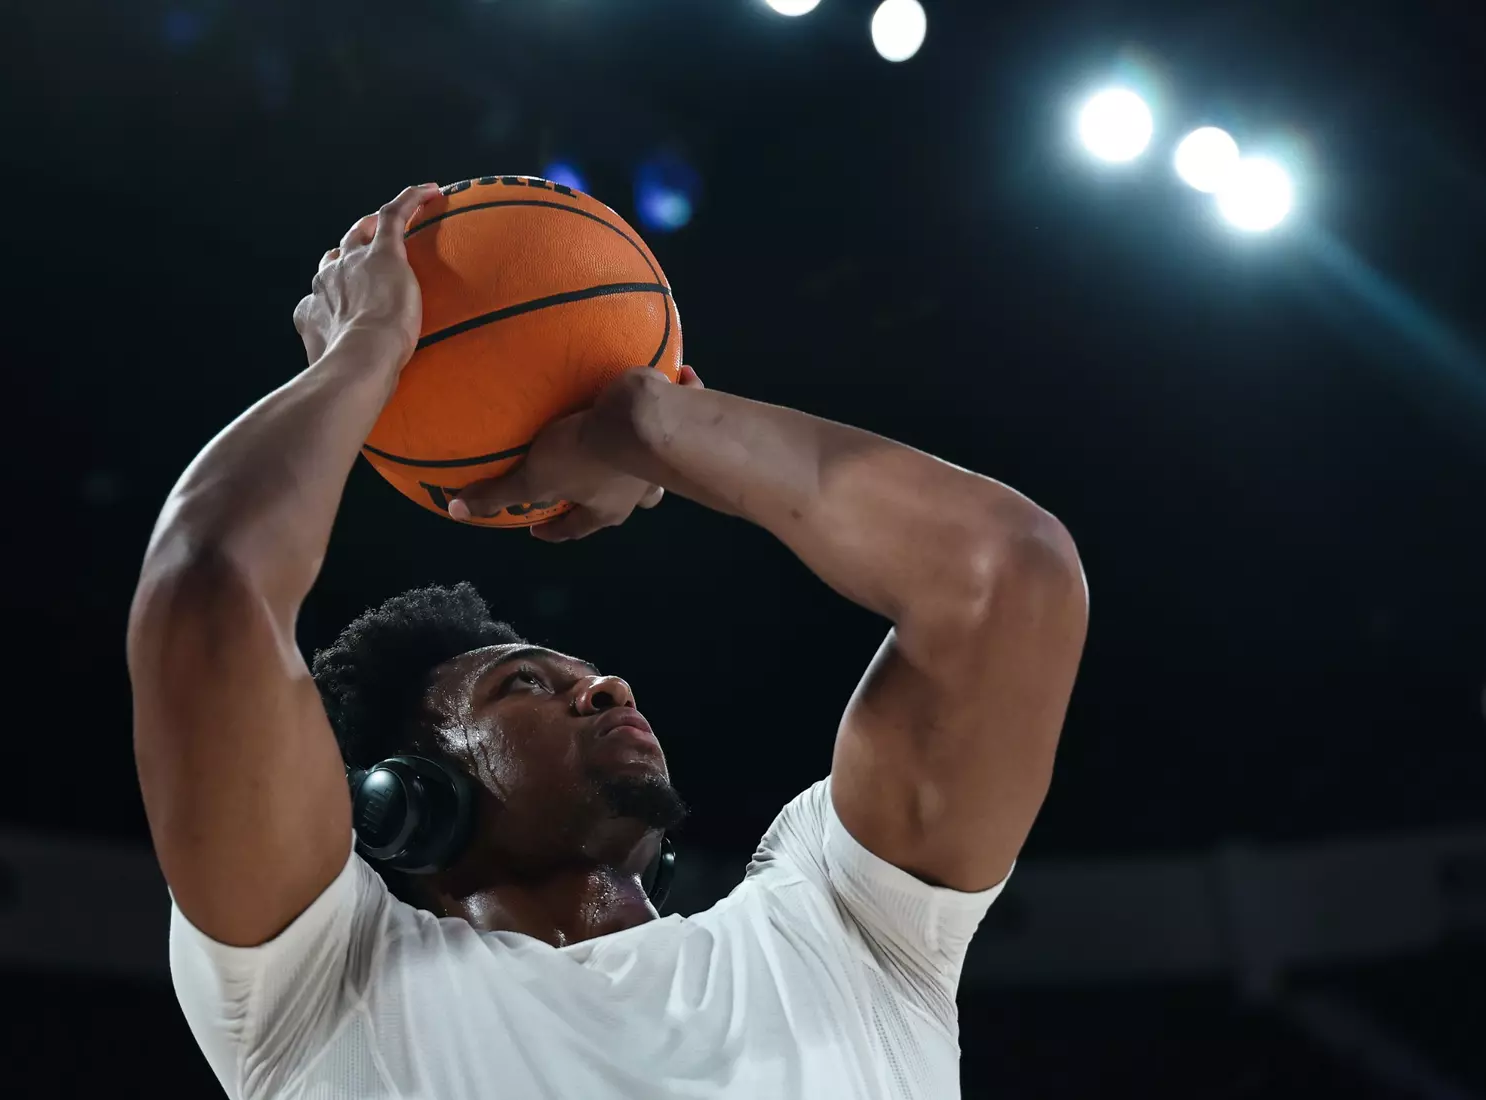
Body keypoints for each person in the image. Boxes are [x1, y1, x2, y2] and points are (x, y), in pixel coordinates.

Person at [129, 184, 1089, 1100]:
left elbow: (1006, 578)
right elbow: (210, 596)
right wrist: (366, 350)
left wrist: (652, 423)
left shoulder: (840, 928)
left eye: (586, 676)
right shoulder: (323, 986)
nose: (608, 689)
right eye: (523, 688)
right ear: (404, 805)